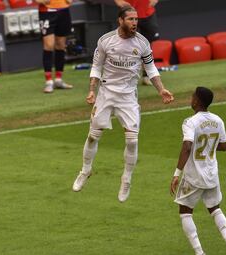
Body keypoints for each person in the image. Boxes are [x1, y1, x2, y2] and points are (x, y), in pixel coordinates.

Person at [72, 6, 174, 203]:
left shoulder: (143, 43)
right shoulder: (105, 41)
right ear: (120, 20)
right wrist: (92, 90)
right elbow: (96, 66)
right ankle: (85, 170)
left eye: (136, 19)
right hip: (106, 94)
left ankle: (126, 179)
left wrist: (161, 89)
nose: (135, 22)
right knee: (93, 137)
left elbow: (151, 69)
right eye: (130, 19)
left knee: (132, 141)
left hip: (128, 97)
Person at [170, 87, 226, 255]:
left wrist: (176, 174)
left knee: (185, 211)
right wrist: (208, 145)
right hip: (212, 174)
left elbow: (187, 147)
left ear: (197, 101)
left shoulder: (190, 122)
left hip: (194, 176)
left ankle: (200, 254)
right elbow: (223, 146)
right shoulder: (218, 120)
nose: (190, 99)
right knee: (215, 208)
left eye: (192, 96)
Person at [114, 0, 160, 85]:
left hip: (148, 13)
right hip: (128, 14)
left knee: (147, 46)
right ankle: (123, 76)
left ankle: (147, 76)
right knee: (124, 44)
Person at [36, 0, 73, 93]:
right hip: (47, 11)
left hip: (63, 10)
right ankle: (48, 81)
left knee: (61, 45)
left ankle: (58, 80)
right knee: (49, 45)